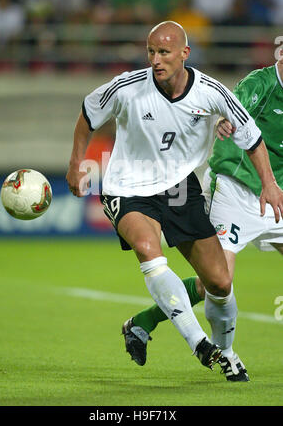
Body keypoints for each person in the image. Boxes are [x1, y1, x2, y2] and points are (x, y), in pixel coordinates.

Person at [66, 21, 283, 378]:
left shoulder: (211, 92)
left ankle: (171, 331)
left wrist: (269, 183)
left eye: (164, 52)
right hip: (128, 188)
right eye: (151, 52)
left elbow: (252, 136)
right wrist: (76, 163)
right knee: (149, 250)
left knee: (219, 282)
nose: (155, 59)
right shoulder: (127, 87)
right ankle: (201, 344)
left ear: (185, 54)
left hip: (179, 189)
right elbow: (89, 113)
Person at [123, 50, 283, 382]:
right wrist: (227, 120)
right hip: (235, 189)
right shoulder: (262, 83)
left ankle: (143, 320)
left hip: (276, 194)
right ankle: (226, 354)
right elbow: (236, 110)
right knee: (219, 283)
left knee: (210, 282)